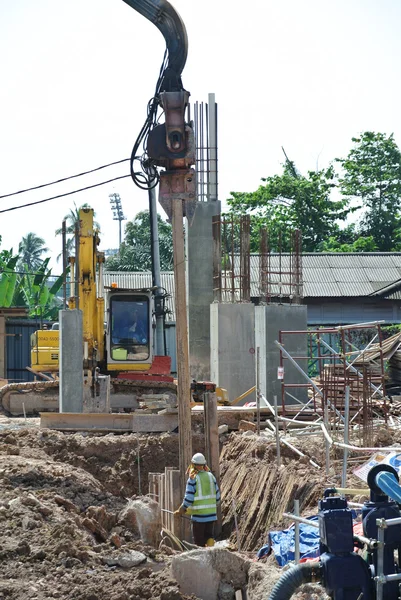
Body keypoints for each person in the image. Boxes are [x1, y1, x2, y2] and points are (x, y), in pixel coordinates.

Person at [174, 452, 220, 547]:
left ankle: (202, 558)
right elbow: (218, 497)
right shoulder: (211, 476)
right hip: (211, 515)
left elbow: (189, 498)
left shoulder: (193, 478)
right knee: (209, 537)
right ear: (204, 464)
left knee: (199, 541)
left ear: (193, 465)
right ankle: (211, 554)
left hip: (199, 517)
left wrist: (181, 509)